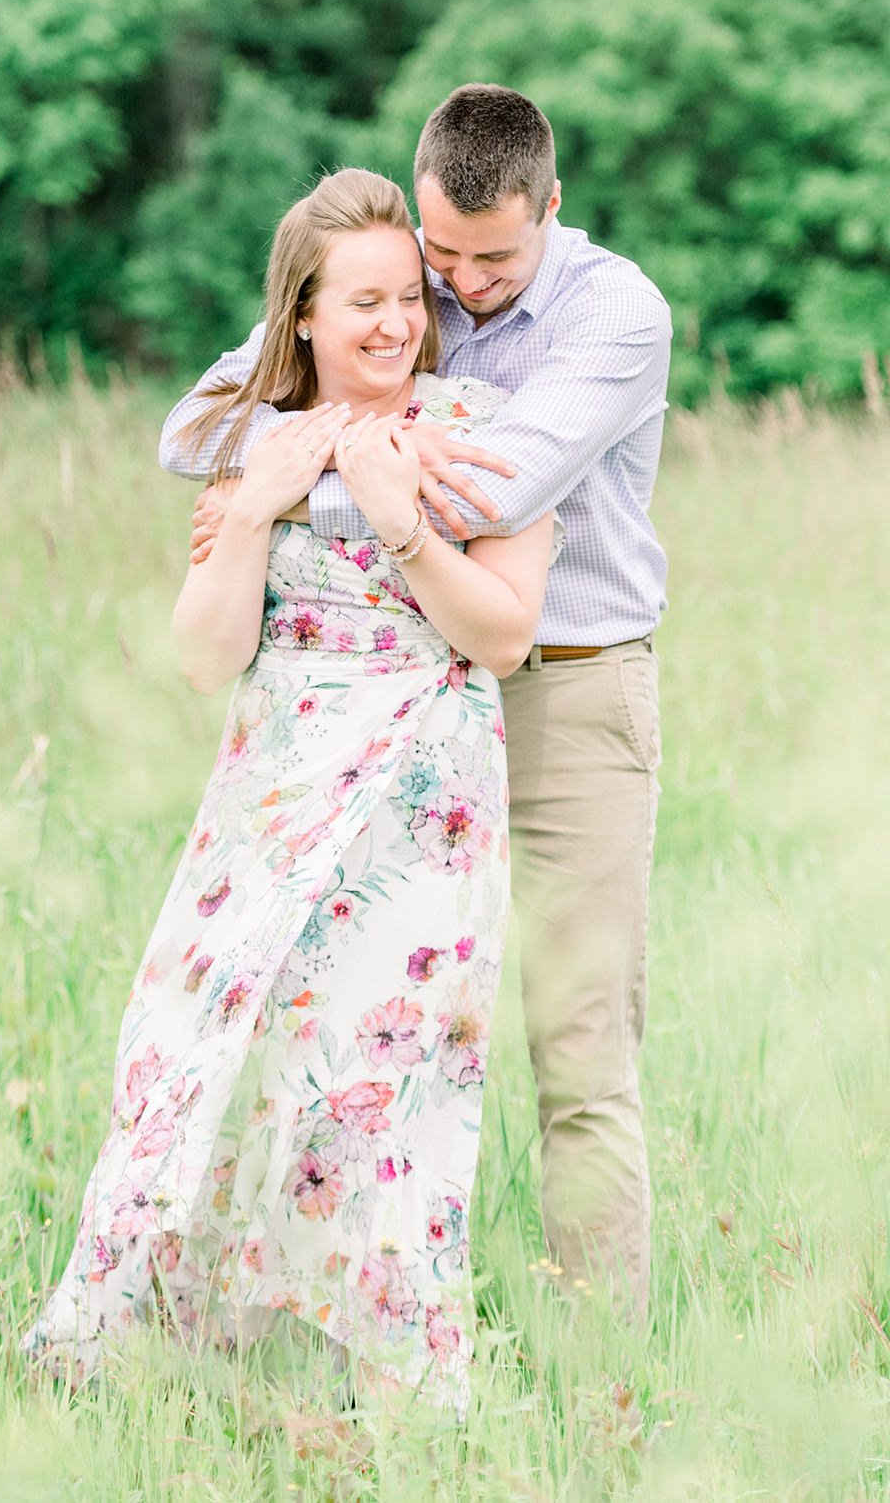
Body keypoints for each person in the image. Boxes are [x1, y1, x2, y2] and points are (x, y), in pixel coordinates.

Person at [27, 169, 552, 1405]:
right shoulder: (253, 444)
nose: (392, 325)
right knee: (196, 1031)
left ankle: (366, 1371)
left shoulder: (478, 428)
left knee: (374, 1065)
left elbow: (506, 637)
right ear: (301, 317)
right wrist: (257, 510)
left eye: (405, 300)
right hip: (270, 779)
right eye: (360, 302)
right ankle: (181, 1336)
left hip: (424, 780)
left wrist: (404, 523)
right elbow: (206, 654)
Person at [165, 86, 671, 1317]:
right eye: (441, 253)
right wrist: (289, 469)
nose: (458, 286)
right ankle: (320, 1313)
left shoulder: (616, 312)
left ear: (551, 208)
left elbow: (497, 490)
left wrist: (290, 481)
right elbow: (197, 430)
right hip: (379, 701)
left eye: (491, 258)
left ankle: (597, 1362)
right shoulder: (403, 275)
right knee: (340, 1029)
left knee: (579, 1047)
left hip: (562, 692)